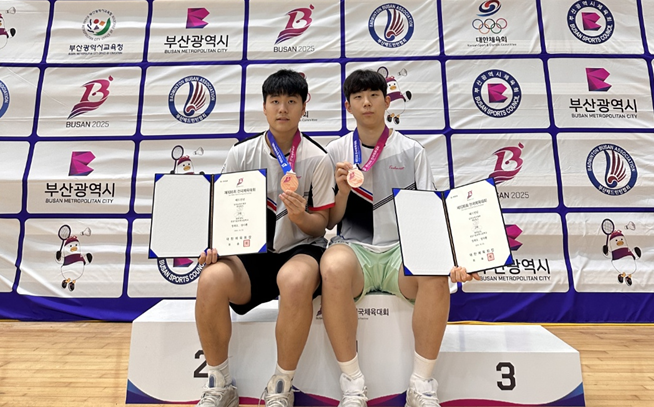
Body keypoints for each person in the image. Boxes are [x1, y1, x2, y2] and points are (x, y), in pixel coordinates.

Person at [322, 69, 478, 407]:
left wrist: (453, 259)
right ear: (348, 106)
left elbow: (430, 216)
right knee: (332, 267)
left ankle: (421, 385)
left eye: (373, 96)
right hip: (354, 250)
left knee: (434, 274)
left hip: (399, 253)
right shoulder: (335, 152)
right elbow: (329, 221)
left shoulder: (411, 151)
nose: (366, 103)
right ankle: (352, 385)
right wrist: (343, 192)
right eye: (358, 97)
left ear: (387, 101)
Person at [195, 69, 335, 407]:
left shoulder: (318, 159)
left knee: (295, 278)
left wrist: (301, 216)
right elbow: (224, 214)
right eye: (275, 101)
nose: (282, 109)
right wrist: (214, 246)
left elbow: (321, 226)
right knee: (211, 278)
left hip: (301, 251)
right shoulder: (240, 154)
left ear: (304, 107)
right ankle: (219, 382)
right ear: (264, 106)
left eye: (291, 101)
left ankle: (281, 385)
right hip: (252, 257)